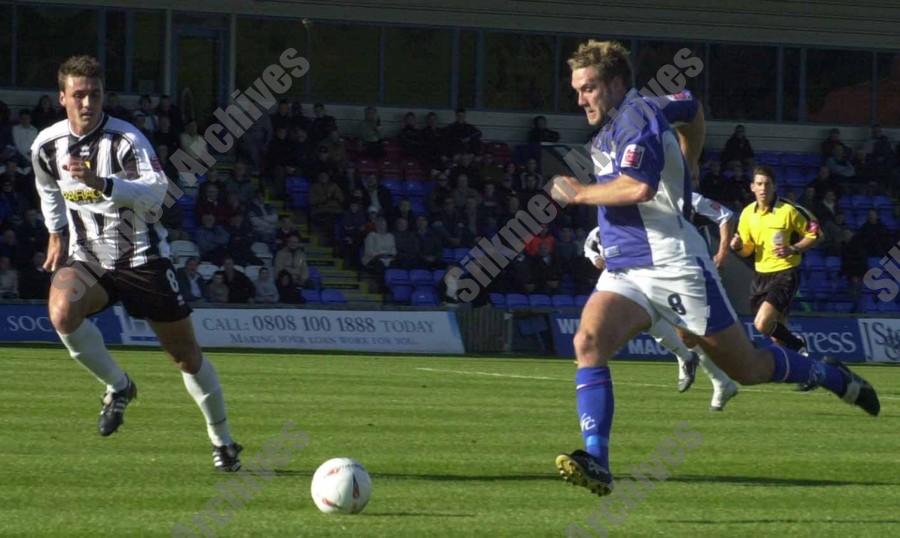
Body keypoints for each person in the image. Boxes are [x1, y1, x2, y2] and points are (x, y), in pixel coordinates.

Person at [549, 41, 878, 497]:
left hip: (672, 262)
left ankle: (828, 375)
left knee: (748, 368)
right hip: (626, 266)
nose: (581, 98)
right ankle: (598, 461)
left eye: (589, 89)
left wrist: (578, 194)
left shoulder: (633, 118)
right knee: (587, 341)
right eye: (578, 90)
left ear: (617, 84)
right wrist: (690, 158)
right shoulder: (637, 113)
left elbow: (639, 188)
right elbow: (691, 106)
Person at [32, 56, 242, 471]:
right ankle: (119, 386)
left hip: (141, 257)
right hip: (89, 256)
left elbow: (156, 194)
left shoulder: (127, 141)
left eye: (94, 94)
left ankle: (223, 441)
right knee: (61, 310)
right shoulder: (46, 145)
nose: (88, 102)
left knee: (184, 356)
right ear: (62, 98)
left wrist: (103, 183)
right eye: (79, 95)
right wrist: (56, 232)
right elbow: (47, 188)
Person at [584, 225, 737, 410]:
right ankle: (700, 367)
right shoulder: (596, 235)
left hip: (662, 279)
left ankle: (716, 376)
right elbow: (593, 256)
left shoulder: (649, 222)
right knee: (655, 328)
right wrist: (602, 260)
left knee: (689, 333)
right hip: (628, 286)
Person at [731, 166, 820, 359]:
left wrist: (794, 248)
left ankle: (798, 344)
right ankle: (801, 367)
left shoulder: (788, 210)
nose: (763, 188)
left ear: (774, 186)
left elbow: (816, 234)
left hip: (785, 272)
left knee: (762, 323)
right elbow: (748, 250)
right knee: (777, 333)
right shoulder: (747, 214)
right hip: (760, 275)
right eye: (759, 184)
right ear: (752, 187)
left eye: (767, 184)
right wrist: (737, 246)